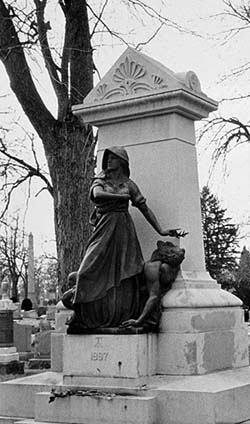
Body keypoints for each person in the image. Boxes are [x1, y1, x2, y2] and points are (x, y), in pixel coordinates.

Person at [66, 146, 181, 332]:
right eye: (108, 158)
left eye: (113, 158)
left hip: (124, 231)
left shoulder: (129, 183)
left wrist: (161, 230)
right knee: (86, 271)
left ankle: (118, 316)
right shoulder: (101, 179)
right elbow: (97, 195)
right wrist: (121, 197)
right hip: (104, 228)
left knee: (124, 276)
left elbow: (144, 208)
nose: (109, 161)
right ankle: (80, 313)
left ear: (122, 161)